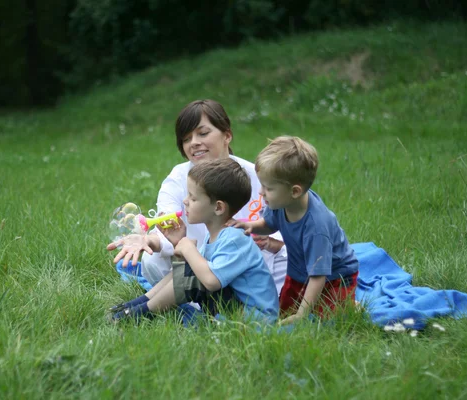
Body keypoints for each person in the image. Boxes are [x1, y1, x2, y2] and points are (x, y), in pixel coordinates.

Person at [110, 99, 287, 294]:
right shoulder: (177, 179)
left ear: (227, 135)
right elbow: (166, 227)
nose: (194, 143)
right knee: (151, 260)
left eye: (203, 133)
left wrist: (268, 242)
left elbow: (284, 236)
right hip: (195, 264)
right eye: (186, 139)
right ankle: (188, 299)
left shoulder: (255, 175)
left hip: (248, 266)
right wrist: (148, 240)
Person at [107, 158, 279, 324]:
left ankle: (138, 315)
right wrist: (179, 243)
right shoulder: (215, 236)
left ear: (218, 207)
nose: (185, 201)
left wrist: (189, 249)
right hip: (235, 310)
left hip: (255, 320)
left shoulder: (235, 239)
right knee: (192, 270)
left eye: (193, 198)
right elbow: (185, 274)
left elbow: (210, 281)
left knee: (196, 275)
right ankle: (133, 307)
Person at [231, 136, 359, 325]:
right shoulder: (281, 204)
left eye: (268, 188)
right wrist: (253, 226)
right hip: (299, 270)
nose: (261, 193)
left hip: (333, 277)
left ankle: (352, 305)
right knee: (282, 314)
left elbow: (318, 276)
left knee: (325, 322)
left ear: (295, 191)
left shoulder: (316, 227)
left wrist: (302, 314)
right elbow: (270, 223)